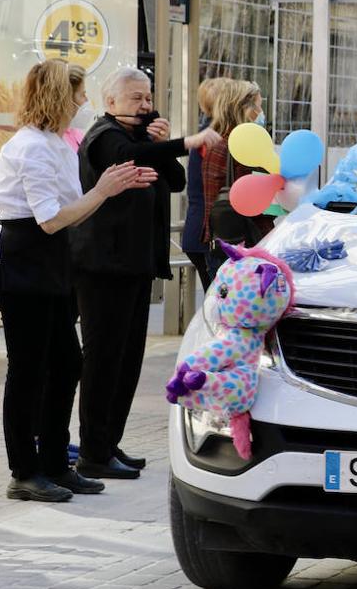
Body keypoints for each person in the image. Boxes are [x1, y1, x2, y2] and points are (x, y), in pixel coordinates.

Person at [0, 60, 155, 502]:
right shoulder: (30, 148)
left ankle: (57, 464)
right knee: (27, 369)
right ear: (59, 97)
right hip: (21, 259)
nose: (84, 102)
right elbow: (48, 220)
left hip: (50, 260)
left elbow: (73, 211)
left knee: (66, 363)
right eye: (78, 94)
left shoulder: (56, 144)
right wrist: (103, 191)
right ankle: (24, 470)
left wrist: (107, 190)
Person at [71, 67, 220, 480]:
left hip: (134, 266)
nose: (145, 105)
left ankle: (107, 443)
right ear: (111, 102)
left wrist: (161, 143)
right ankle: (93, 453)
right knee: (103, 360)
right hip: (104, 267)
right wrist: (184, 142)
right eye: (135, 98)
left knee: (127, 360)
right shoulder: (104, 137)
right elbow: (124, 157)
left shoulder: (139, 139)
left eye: (148, 96)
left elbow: (172, 179)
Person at [201, 79, 274, 284]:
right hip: (245, 244)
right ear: (245, 108)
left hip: (222, 240)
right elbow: (258, 201)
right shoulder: (242, 147)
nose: (261, 112)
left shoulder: (217, 142)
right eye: (258, 106)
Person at [182, 77, 227, 290]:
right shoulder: (213, 139)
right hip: (208, 234)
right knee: (220, 303)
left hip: (200, 231)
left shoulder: (206, 134)